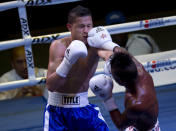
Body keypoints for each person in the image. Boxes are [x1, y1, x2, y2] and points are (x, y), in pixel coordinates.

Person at [44, 5, 125, 131]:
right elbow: (51, 85)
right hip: (57, 112)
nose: (86, 31)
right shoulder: (59, 46)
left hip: (83, 108)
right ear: (70, 27)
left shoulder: (95, 44)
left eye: (89, 25)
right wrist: (68, 62)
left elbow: (107, 54)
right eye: (82, 26)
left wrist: (112, 60)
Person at [89, 50, 161, 131]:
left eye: (112, 74)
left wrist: (107, 99)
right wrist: (98, 49)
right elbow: (120, 51)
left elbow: (120, 125)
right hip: (143, 121)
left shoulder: (136, 103)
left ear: (119, 80)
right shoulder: (140, 71)